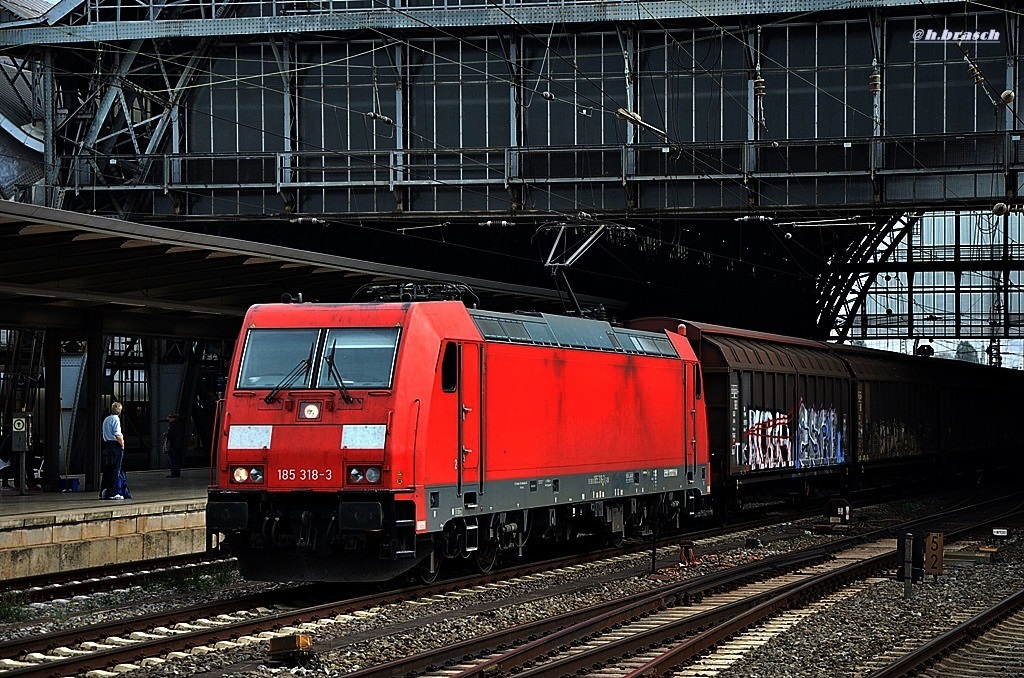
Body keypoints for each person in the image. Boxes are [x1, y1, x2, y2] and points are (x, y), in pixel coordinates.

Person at [100, 401, 130, 500]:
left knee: (107, 469)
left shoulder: (106, 419)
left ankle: (103, 491)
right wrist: (122, 445)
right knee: (116, 469)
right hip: (115, 445)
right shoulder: (116, 419)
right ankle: (112, 492)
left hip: (108, 444)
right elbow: (117, 434)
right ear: (120, 411)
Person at [165, 413, 184, 478]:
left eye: (170, 418)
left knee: (173, 460)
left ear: (173, 418)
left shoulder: (172, 425)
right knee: (177, 460)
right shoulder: (180, 425)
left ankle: (173, 474)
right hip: (179, 445)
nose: (169, 419)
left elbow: (170, 435)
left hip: (173, 445)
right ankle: (177, 474)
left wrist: (166, 435)